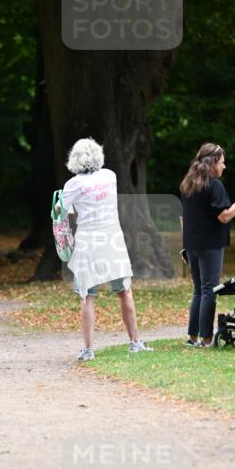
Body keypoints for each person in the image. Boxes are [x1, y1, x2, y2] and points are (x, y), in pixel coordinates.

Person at [58, 137, 152, 361]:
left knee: (88, 295)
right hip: (112, 238)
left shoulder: (73, 185)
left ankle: (89, 349)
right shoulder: (110, 176)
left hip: (88, 241)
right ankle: (135, 342)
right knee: (124, 291)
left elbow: (61, 214)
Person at [179, 142, 235, 346]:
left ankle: (192, 337)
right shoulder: (214, 185)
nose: (224, 166)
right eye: (222, 162)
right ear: (212, 163)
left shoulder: (188, 184)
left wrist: (185, 245)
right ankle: (206, 339)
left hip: (192, 245)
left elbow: (183, 218)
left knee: (198, 289)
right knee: (209, 290)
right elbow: (225, 216)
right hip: (210, 244)